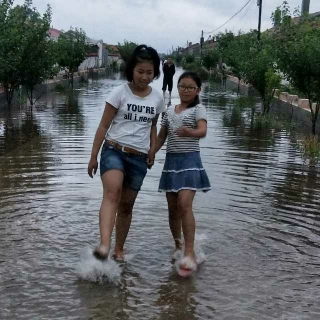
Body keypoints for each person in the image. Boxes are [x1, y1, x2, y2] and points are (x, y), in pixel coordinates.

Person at [88, 45, 166, 261]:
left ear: (155, 72)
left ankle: (119, 250)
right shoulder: (119, 93)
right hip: (114, 150)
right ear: (131, 70)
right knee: (112, 193)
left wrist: (152, 150)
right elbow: (103, 126)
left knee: (126, 206)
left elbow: (152, 126)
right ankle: (104, 244)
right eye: (140, 71)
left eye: (149, 72)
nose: (144, 76)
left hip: (139, 157)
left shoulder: (157, 99)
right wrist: (93, 156)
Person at [156, 71, 211, 274]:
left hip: (190, 161)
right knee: (173, 209)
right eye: (182, 86)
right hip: (171, 163)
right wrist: (150, 153)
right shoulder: (169, 111)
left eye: (190, 87)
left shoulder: (199, 109)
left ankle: (189, 252)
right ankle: (178, 245)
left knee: (184, 204)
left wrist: (190, 132)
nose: (186, 90)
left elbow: (202, 131)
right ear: (177, 87)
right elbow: (162, 137)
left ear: (197, 90)